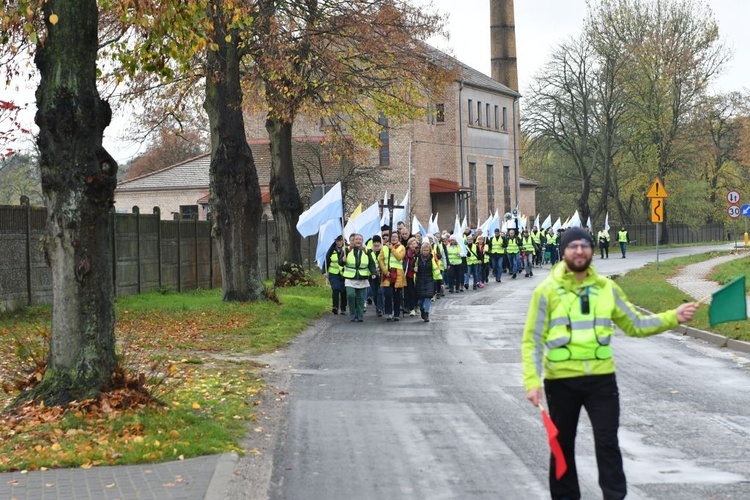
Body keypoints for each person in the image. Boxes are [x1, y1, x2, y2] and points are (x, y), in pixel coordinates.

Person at [521, 227, 698, 500]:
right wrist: (532, 381)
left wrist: (673, 316)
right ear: (563, 251)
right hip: (560, 381)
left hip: (602, 382)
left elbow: (636, 324)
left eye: (585, 245)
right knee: (562, 445)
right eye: (573, 246)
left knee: (607, 444)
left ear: (592, 250)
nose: (579, 250)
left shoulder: (607, 289)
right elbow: (532, 340)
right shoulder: (546, 291)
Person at [340, 233, 376, 322]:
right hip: (350, 277)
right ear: (353, 240)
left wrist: (373, 272)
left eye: (360, 239)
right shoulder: (347, 250)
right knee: (351, 295)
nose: (358, 241)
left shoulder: (366, 250)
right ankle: (353, 313)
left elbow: (371, 263)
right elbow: (340, 262)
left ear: (362, 241)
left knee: (361, 298)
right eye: (356, 239)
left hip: (362, 277)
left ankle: (360, 315)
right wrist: (342, 260)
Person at [379, 231, 406, 321]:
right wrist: (385, 271)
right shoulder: (384, 248)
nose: (393, 238)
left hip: (397, 273)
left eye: (395, 237)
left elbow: (399, 257)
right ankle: (388, 312)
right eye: (392, 237)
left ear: (398, 238)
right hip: (388, 273)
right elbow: (381, 260)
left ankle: (397, 314)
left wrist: (392, 249)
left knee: (397, 294)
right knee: (387, 294)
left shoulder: (401, 247)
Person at [415, 241, 442, 322]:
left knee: (427, 298)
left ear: (429, 250)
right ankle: (422, 310)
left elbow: (436, 270)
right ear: (421, 250)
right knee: (420, 301)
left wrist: (440, 281)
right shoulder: (417, 258)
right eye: (424, 250)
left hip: (429, 281)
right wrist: (415, 269)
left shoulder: (432, 259)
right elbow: (414, 268)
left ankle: (426, 314)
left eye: (427, 250)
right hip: (419, 281)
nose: (425, 252)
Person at [324, 235, 347, 315]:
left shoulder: (347, 249)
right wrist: (325, 271)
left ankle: (343, 307)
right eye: (337, 241)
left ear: (343, 241)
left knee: (344, 291)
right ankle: (335, 307)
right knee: (336, 289)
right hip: (334, 273)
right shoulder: (332, 249)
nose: (338, 242)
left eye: (340, 241)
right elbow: (326, 261)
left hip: (345, 273)